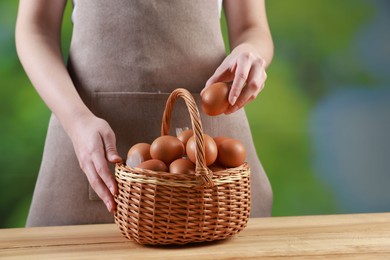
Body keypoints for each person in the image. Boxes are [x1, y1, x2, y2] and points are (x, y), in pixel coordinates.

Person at [15, 0, 274, 227]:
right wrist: (76, 119)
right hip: (86, 138)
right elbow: (35, 27)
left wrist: (251, 52)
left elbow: (252, 27)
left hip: (206, 148)